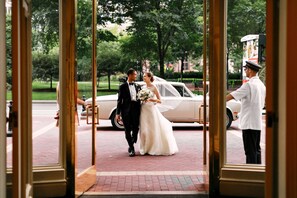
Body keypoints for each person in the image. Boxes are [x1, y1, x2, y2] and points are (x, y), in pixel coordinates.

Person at [226, 61, 266, 164]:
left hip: (248, 124)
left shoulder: (248, 85)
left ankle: (251, 175)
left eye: (246, 69)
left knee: (250, 152)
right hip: (257, 123)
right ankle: (258, 173)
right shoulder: (261, 85)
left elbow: (232, 95)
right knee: (256, 150)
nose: (245, 71)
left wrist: (218, 100)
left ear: (250, 70)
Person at [139, 72, 178, 155]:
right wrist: (142, 99)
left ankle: (153, 147)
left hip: (151, 110)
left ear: (150, 77)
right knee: (144, 130)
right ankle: (145, 148)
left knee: (152, 129)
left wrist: (151, 100)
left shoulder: (154, 87)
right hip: (143, 109)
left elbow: (159, 100)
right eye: (143, 76)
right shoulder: (142, 87)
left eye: (145, 76)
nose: (144, 77)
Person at [116, 68, 142, 157]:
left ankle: (131, 141)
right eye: (134, 74)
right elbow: (119, 101)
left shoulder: (138, 86)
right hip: (126, 111)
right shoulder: (122, 87)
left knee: (136, 129)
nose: (136, 76)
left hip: (136, 111)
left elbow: (141, 98)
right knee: (127, 130)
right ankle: (131, 148)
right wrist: (117, 113)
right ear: (130, 75)